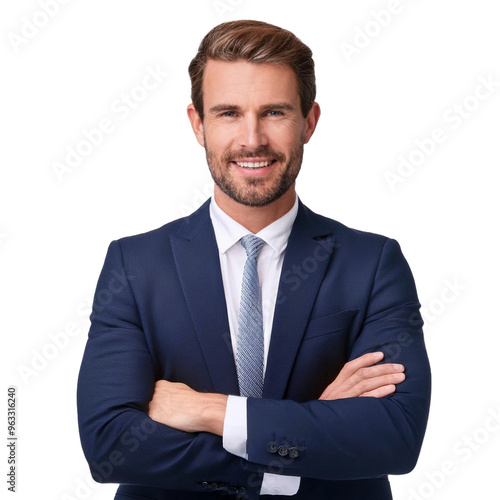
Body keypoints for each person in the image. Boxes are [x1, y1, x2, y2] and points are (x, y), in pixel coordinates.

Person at [77, 20, 431, 500]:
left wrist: (210, 411)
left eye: (274, 112)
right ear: (197, 124)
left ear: (309, 121)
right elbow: (111, 444)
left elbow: (394, 435)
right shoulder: (135, 265)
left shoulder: (372, 264)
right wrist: (305, 436)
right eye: (228, 113)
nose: (252, 139)